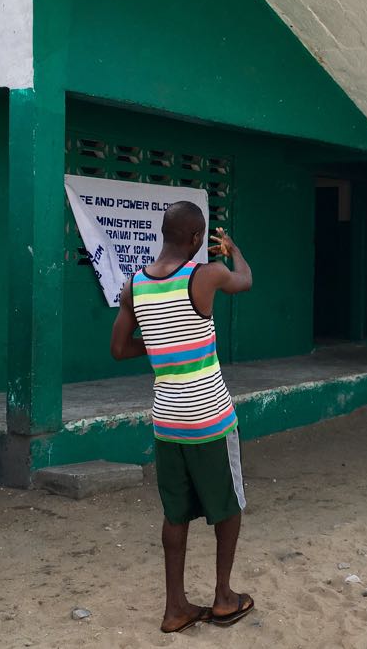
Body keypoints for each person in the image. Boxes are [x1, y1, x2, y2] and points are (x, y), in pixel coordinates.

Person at [110, 201, 255, 633]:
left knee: (175, 514)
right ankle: (224, 597)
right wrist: (234, 249)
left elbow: (119, 349)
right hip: (210, 418)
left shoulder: (133, 286)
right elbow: (245, 281)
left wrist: (158, 343)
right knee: (228, 506)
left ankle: (176, 609)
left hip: (166, 423)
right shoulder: (205, 275)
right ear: (196, 239)